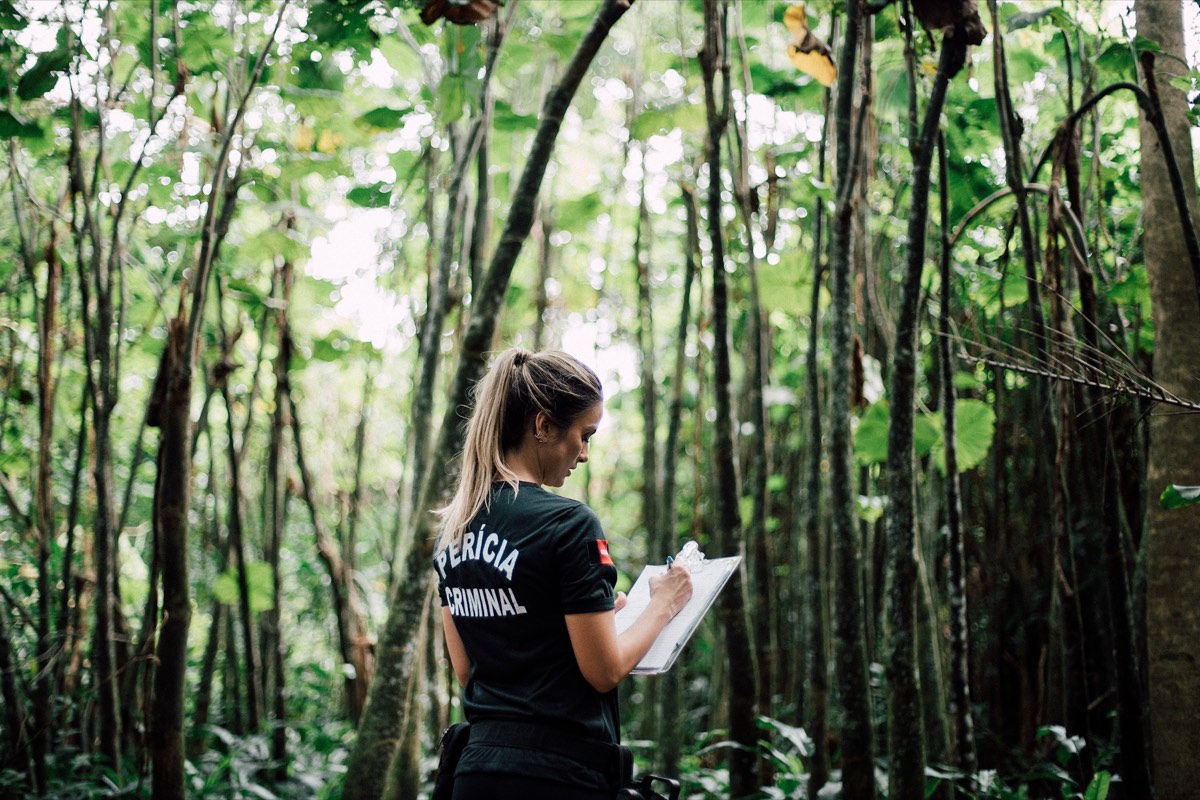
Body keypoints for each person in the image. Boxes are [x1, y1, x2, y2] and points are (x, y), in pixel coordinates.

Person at [432, 347, 693, 800]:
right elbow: (604, 671)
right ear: (543, 425)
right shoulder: (568, 523)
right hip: (559, 777)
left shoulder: (453, 531)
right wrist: (664, 604)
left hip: (476, 774)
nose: (585, 453)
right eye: (584, 434)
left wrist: (577, 615)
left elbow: (468, 668)